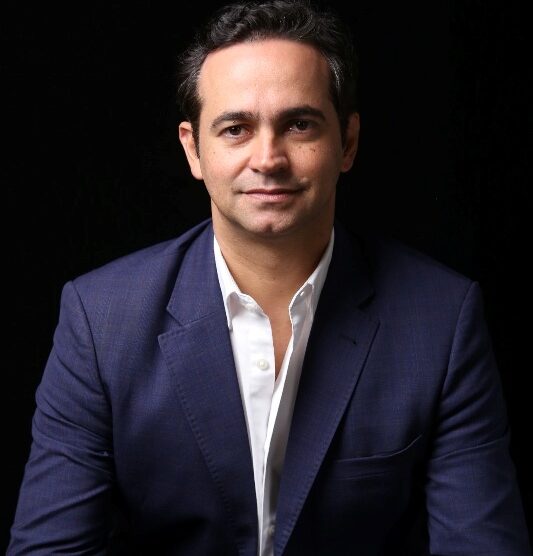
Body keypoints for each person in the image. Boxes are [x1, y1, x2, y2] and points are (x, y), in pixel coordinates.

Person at [8, 1, 531, 554]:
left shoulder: (442, 320)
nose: (268, 159)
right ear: (193, 149)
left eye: (299, 124)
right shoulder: (101, 320)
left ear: (348, 142)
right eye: (236, 129)